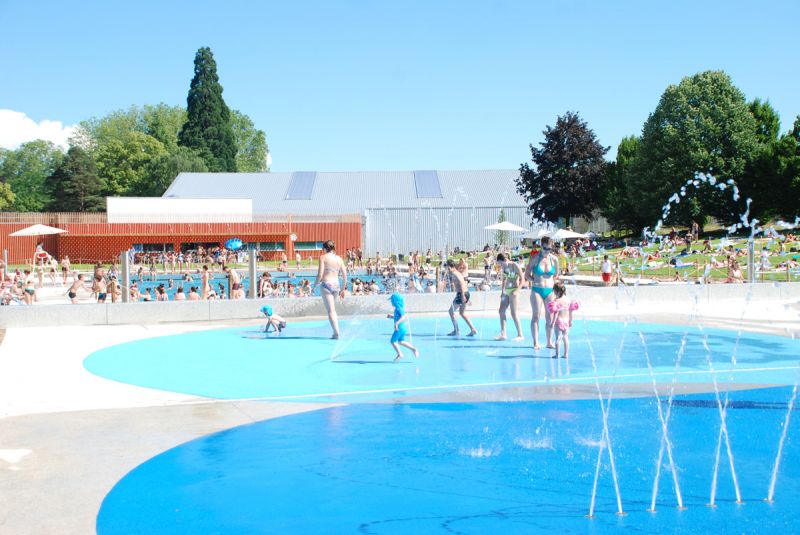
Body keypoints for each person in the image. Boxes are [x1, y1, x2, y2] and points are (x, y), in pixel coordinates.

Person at [525, 236, 559, 350]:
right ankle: (535, 342)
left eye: (549, 249)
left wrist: (554, 285)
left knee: (550, 317)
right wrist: (533, 280)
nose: (547, 251)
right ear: (541, 246)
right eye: (545, 248)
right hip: (537, 290)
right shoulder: (535, 258)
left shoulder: (554, 259)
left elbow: (556, 275)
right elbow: (526, 274)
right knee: (536, 316)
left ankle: (549, 342)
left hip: (549, 291)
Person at [314, 240, 347, 339]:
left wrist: (315, 285)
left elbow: (320, 274)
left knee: (331, 311)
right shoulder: (339, 259)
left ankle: (336, 333)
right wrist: (342, 289)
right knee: (333, 310)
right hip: (336, 285)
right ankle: (335, 332)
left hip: (326, 284)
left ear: (325, 248)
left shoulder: (323, 257)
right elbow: (345, 275)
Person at [494, 253, 524, 341]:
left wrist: (517, 290)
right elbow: (504, 280)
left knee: (513, 313)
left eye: (501, 263)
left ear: (505, 260)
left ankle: (520, 335)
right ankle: (503, 334)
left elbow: (522, 279)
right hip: (507, 290)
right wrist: (502, 291)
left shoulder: (515, 265)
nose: (500, 265)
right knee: (501, 311)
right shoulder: (504, 268)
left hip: (514, 290)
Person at [547, 282, 579, 359]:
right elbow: (570, 312)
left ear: (557, 291)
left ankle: (557, 354)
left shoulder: (557, 300)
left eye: (554, 291)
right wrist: (571, 321)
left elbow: (556, 313)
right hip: (566, 321)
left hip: (558, 321)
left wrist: (553, 323)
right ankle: (566, 354)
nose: (554, 293)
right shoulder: (568, 300)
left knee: (558, 338)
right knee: (566, 337)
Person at [446, 259, 478, 337]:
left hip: (461, 294)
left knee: (451, 311)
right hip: (465, 293)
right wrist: (467, 296)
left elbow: (461, 283)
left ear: (450, 266)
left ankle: (456, 330)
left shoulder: (455, 274)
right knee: (462, 313)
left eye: (447, 267)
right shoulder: (457, 273)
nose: (446, 268)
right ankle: (473, 329)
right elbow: (464, 283)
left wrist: (463, 296)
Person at [386, 293, 419, 361]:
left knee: (393, 341)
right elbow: (397, 318)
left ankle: (400, 354)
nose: (391, 302)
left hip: (400, 328)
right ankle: (414, 349)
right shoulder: (397, 309)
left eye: (392, 300)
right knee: (401, 342)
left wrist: (397, 324)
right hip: (402, 328)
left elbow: (403, 317)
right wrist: (392, 317)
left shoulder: (399, 308)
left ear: (395, 301)